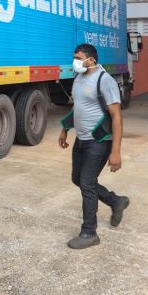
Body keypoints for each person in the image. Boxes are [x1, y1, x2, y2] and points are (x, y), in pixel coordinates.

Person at [59, 43, 130, 250]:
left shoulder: (104, 80)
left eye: (78, 57)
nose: (75, 61)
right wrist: (65, 128)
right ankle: (115, 201)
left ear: (91, 60)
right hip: (81, 139)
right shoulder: (79, 78)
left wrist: (116, 152)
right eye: (74, 57)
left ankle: (89, 232)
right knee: (77, 179)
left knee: (87, 183)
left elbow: (116, 116)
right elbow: (79, 108)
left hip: (99, 141)